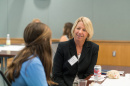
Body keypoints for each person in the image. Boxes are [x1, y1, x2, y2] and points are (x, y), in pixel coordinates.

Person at [52, 17, 99, 86]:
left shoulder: (93, 48)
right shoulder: (63, 47)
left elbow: (90, 73)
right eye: (78, 28)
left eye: (84, 30)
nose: (80, 32)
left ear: (88, 33)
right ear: (74, 29)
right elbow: (56, 74)